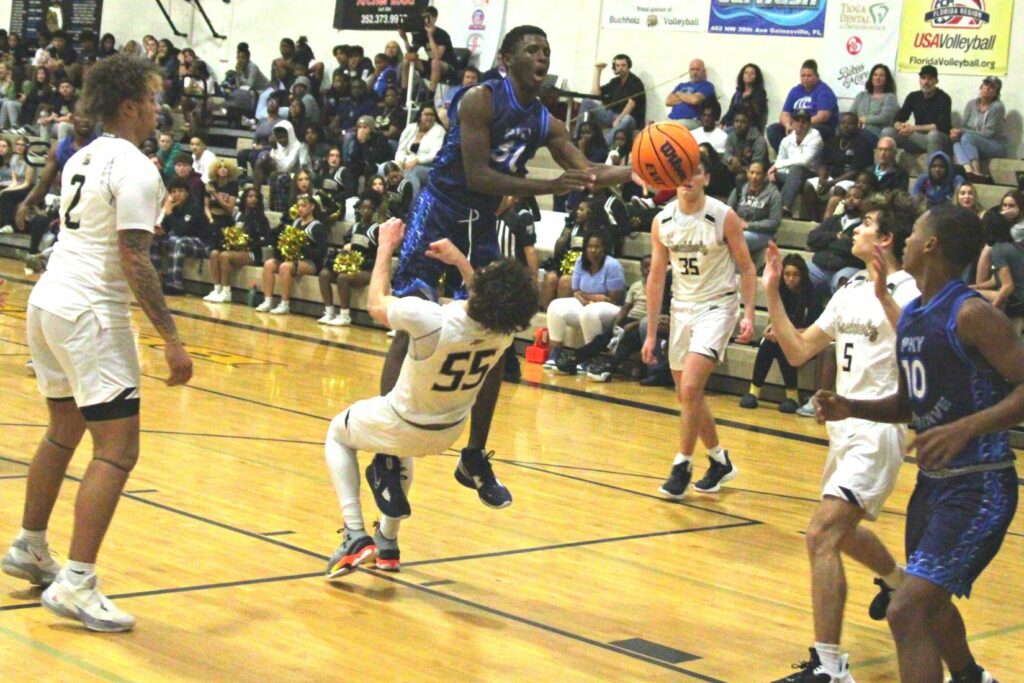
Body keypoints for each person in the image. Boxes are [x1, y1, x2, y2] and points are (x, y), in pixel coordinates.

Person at [379, 25, 631, 511]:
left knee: (495, 338)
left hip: (479, 226)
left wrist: (641, 169)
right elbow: (479, 176)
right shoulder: (480, 100)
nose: (542, 56)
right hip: (440, 213)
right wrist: (550, 184)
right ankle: (388, 451)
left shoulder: (546, 121)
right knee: (410, 328)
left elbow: (589, 173)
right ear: (507, 58)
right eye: (533, 49)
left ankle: (473, 455)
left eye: (547, 50)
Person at [1, 54, 192, 632]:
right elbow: (134, 257)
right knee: (117, 449)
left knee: (63, 429)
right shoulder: (135, 166)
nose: (159, 110)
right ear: (131, 105)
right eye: (153, 101)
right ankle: (78, 582)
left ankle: (31, 545)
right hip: (90, 312)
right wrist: (173, 340)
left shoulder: (83, 154)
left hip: (48, 301)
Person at [813, 204, 1017, 683]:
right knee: (929, 602)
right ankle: (969, 677)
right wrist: (852, 406)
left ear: (931, 245)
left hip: (979, 486)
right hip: (931, 486)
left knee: (905, 609)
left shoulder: (970, 312)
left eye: (915, 232)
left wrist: (969, 427)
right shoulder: (913, 319)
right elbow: (911, 404)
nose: (903, 239)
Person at [763, 190, 921, 683]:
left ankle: (830, 668)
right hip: (843, 430)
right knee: (844, 532)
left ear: (887, 238)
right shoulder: (849, 286)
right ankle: (897, 585)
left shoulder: (911, 290)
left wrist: (884, 296)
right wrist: (771, 292)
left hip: (880, 430)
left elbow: (922, 344)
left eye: (865, 223)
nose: (853, 228)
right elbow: (797, 351)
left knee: (822, 534)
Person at [323, 218, 536, 577]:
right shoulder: (502, 334)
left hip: (401, 421)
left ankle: (355, 535)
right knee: (399, 450)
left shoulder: (431, 320)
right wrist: (460, 263)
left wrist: (385, 247)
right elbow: (489, 302)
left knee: (337, 434)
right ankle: (388, 543)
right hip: (448, 432)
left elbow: (376, 302)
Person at [643, 160, 757, 499]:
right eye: (679, 172)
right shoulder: (662, 220)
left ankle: (682, 464)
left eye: (693, 171)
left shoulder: (724, 216)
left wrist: (749, 313)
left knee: (691, 387)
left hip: (717, 305)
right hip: (681, 308)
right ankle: (719, 461)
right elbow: (655, 277)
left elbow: (748, 267)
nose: (686, 179)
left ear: (706, 178)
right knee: (686, 394)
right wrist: (651, 333)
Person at [739, 253, 817, 413]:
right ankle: (753, 392)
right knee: (770, 343)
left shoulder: (812, 294)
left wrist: (785, 334)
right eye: (787, 274)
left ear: (802, 275)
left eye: (795, 275)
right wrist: (770, 329)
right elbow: (774, 318)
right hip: (785, 337)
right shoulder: (780, 290)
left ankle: (792, 395)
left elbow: (815, 328)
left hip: (807, 339)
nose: (790, 279)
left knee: (783, 344)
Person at [543, 231, 626, 374]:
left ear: (604, 248)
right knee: (555, 306)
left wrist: (588, 298)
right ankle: (555, 353)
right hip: (586, 303)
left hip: (611, 309)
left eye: (597, 246)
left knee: (589, 312)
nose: (593, 250)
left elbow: (615, 298)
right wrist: (595, 298)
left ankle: (589, 357)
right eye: (590, 246)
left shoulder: (612, 265)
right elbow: (576, 291)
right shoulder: (581, 262)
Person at [256, 194, 327, 315]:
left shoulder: (317, 226)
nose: (300, 209)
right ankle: (267, 301)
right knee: (268, 264)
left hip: (310, 262)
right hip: (292, 259)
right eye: (298, 206)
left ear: (312, 207)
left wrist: (301, 249)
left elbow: (322, 251)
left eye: (304, 206)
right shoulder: (295, 223)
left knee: (285, 267)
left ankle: (284, 304)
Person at [318, 192, 380, 326]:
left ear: (374, 211)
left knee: (343, 277)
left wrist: (360, 262)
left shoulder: (377, 229)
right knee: (324, 274)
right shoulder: (355, 226)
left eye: (369, 208)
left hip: (368, 269)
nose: (365, 211)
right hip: (352, 267)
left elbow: (377, 256)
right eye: (363, 208)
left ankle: (345, 315)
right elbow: (346, 245)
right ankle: (329, 312)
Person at [204, 187, 271, 304]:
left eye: (255, 197)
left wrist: (248, 243)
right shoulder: (238, 215)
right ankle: (217, 289)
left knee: (225, 256)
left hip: (252, 253)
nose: (253, 199)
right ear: (245, 199)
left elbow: (267, 240)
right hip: (236, 250)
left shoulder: (261, 218)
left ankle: (226, 292)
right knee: (214, 253)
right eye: (250, 196)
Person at [767, 60, 839, 152]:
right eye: (803, 76)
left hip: (818, 126)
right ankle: (788, 156)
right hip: (796, 126)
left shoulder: (824, 91)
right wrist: (788, 125)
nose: (806, 78)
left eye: (809, 76)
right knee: (773, 129)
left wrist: (801, 125)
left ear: (817, 76)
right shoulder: (796, 90)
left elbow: (823, 116)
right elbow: (784, 114)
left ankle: (802, 159)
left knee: (815, 130)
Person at [881, 65, 951, 156]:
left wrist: (913, 128)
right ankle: (888, 168)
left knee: (933, 135)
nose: (926, 82)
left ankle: (932, 168)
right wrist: (900, 126)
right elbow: (898, 118)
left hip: (939, 138)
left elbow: (941, 126)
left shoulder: (944, 98)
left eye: (930, 79)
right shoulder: (913, 96)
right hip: (917, 137)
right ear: (919, 80)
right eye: (923, 78)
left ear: (936, 81)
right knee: (887, 132)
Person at [577, 54, 645, 145]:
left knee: (627, 119)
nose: (620, 68)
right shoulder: (615, 82)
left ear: (629, 66)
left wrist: (619, 120)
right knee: (586, 102)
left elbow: (631, 104)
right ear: (614, 67)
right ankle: (577, 137)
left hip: (628, 119)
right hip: (612, 116)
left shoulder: (636, 82)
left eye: (623, 65)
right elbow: (596, 92)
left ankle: (603, 144)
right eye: (617, 65)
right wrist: (598, 71)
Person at [767, 109, 822, 217]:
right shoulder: (786, 140)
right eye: (797, 120)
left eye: (804, 121)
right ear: (791, 122)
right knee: (769, 175)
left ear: (809, 124)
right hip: (791, 175)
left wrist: (777, 165)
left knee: (797, 168)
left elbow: (805, 161)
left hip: (811, 175)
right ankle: (763, 209)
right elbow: (780, 160)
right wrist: (774, 171)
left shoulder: (815, 137)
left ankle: (784, 207)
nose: (800, 124)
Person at [952, 77, 1007, 184]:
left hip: (995, 145)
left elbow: (988, 133)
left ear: (996, 93)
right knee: (956, 141)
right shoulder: (971, 104)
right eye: (986, 85)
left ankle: (977, 173)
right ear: (981, 87)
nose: (988, 89)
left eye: (992, 88)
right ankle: (968, 171)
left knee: (967, 137)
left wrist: (962, 132)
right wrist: (957, 132)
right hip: (972, 143)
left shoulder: (997, 107)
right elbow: (963, 126)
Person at [728, 161, 781, 258]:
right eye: (752, 172)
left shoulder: (773, 193)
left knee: (739, 239)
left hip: (763, 234)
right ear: (747, 173)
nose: (754, 176)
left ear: (765, 175)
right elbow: (727, 211)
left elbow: (774, 222)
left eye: (758, 173)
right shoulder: (739, 190)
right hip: (738, 229)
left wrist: (748, 225)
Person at [850, 64, 899, 142]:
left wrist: (863, 119)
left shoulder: (890, 97)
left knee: (859, 135)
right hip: (857, 129)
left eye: (881, 75)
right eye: (875, 75)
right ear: (871, 77)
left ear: (887, 79)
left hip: (876, 133)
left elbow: (884, 118)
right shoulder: (861, 95)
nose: (877, 78)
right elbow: (851, 114)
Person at [723, 108, 768, 189]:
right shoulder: (732, 136)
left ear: (749, 124)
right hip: (736, 169)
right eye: (736, 121)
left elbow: (757, 167)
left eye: (743, 122)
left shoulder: (759, 141)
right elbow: (726, 154)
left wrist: (741, 169)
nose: (739, 125)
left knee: (740, 178)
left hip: (754, 173)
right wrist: (731, 159)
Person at [665, 59, 715, 130]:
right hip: (672, 118)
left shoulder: (707, 86)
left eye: (697, 69)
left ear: (703, 71)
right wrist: (688, 97)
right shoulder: (681, 85)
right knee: (654, 128)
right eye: (692, 69)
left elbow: (695, 100)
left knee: (674, 128)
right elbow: (668, 101)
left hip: (691, 120)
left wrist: (679, 94)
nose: (694, 72)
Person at [721, 63, 768, 132]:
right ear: (742, 76)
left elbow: (756, 115)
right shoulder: (737, 94)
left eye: (752, 73)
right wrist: (722, 122)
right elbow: (730, 111)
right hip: (733, 125)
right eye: (746, 72)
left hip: (749, 127)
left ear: (756, 77)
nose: (749, 74)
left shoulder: (759, 93)